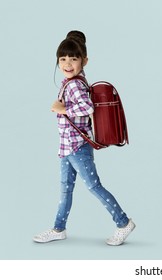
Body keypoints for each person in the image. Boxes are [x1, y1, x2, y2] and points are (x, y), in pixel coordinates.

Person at [33, 30, 135, 246]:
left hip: (78, 147)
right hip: (67, 147)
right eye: (63, 59)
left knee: (93, 186)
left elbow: (86, 107)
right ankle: (58, 228)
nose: (67, 63)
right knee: (65, 188)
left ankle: (123, 222)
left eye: (74, 58)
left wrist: (63, 108)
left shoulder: (76, 84)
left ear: (84, 61)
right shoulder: (69, 82)